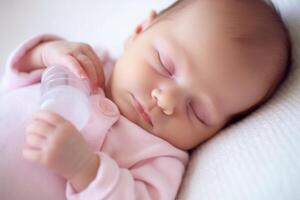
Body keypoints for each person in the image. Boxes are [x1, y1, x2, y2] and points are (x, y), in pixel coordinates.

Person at [0, 0, 290, 199]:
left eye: (198, 112)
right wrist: (47, 53)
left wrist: (83, 168)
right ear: (139, 31)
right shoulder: (89, 64)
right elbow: (16, 76)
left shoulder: (160, 160)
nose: (166, 100)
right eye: (165, 64)